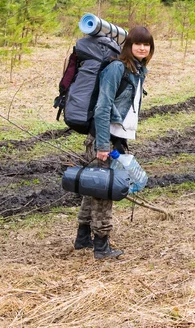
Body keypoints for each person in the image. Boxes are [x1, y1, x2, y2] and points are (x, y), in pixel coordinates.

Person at [73, 26, 154, 259]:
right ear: (127, 46)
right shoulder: (117, 68)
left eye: (146, 44)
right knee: (103, 193)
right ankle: (101, 246)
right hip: (104, 138)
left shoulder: (137, 71)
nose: (142, 47)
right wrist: (102, 145)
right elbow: (102, 108)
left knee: (93, 188)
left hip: (114, 138)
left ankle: (82, 238)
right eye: (137, 43)